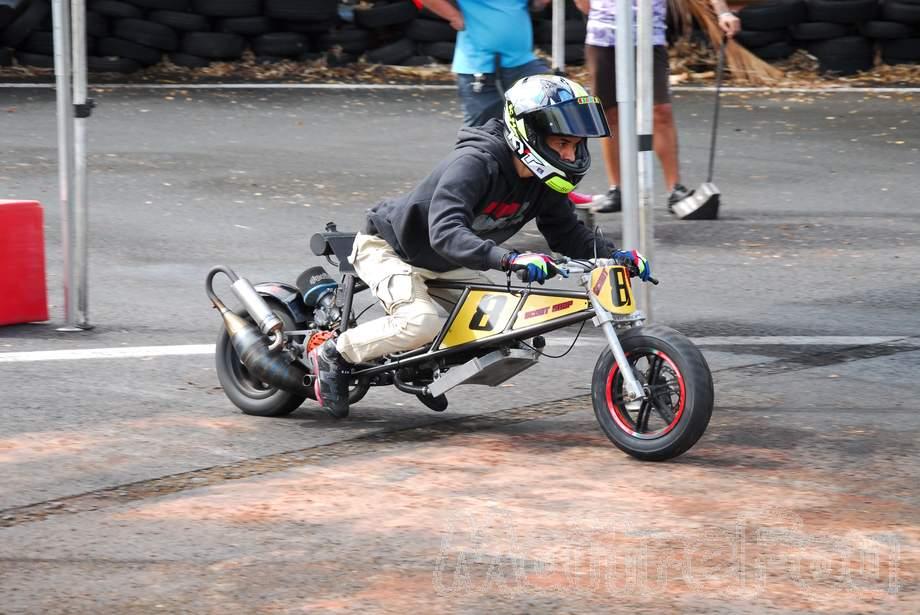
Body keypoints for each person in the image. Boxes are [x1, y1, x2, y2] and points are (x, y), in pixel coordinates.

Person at [308, 75, 651, 418]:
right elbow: (444, 231)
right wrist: (508, 259)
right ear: (528, 132)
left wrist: (613, 256)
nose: (569, 154)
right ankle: (333, 355)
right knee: (420, 323)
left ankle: (420, 369)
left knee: (510, 327)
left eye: (575, 145)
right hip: (390, 248)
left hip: (444, 260)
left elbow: (567, 235)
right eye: (562, 142)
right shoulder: (476, 162)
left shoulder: (546, 181)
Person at [573, 0, 741, 214]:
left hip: (649, 38)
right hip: (602, 35)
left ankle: (675, 190)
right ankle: (618, 190)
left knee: (661, 111)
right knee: (609, 115)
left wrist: (723, 13)